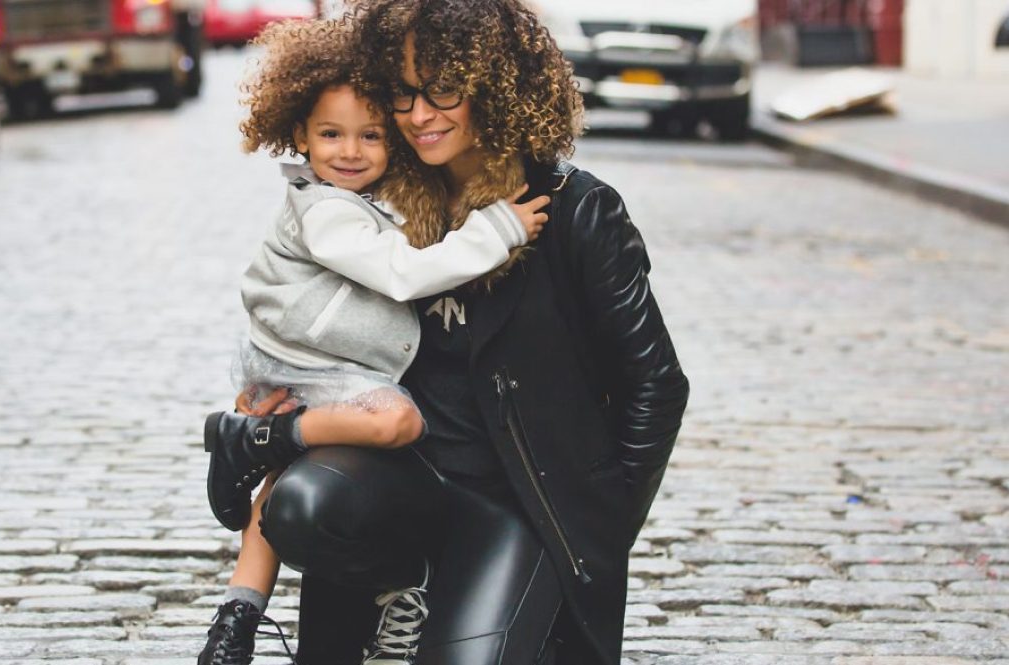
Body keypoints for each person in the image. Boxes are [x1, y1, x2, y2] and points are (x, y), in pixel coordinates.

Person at [248, 0, 692, 664]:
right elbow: (310, 319)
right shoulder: (382, 203)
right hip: (405, 479)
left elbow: (656, 384)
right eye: (403, 94)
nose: (420, 114)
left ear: (492, 81)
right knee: (301, 505)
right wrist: (273, 403)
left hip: (520, 502)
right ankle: (401, 587)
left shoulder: (575, 211)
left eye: (444, 89)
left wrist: (593, 526)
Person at [197, 17, 551, 665]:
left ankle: (238, 610)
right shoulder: (327, 209)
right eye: (331, 134)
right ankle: (389, 577)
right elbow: (402, 271)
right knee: (395, 421)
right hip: (318, 363)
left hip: (310, 360)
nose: (351, 150)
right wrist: (497, 227)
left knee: (282, 479)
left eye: (371, 135)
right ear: (298, 133)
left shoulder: (366, 198)